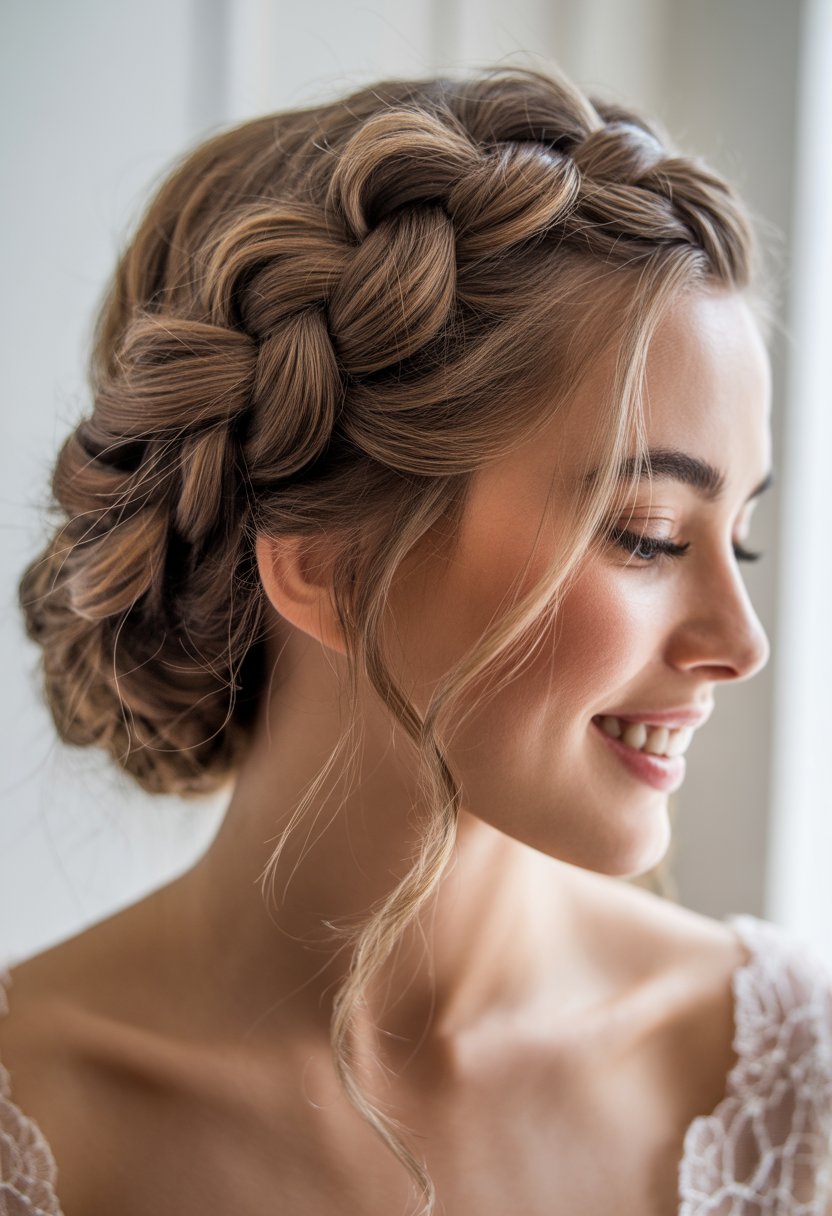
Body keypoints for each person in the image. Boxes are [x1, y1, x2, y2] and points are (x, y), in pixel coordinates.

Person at [1, 64, 830, 1216]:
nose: (740, 644)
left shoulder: (796, 1093)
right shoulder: (32, 1119)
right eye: (643, 534)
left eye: (733, 539)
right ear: (325, 562)